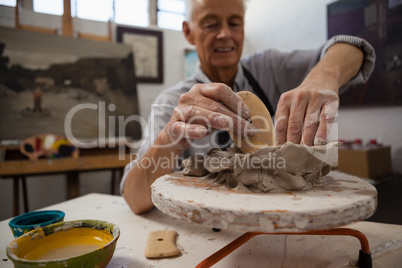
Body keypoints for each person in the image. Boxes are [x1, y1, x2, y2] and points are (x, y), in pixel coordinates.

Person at [121, 0, 375, 214]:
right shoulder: (171, 103)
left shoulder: (269, 70)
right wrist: (170, 139)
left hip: (278, 218)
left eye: (234, 23)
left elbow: (353, 48)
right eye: (211, 24)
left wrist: (324, 76)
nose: (225, 34)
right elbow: (133, 198)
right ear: (188, 32)